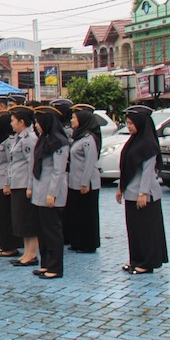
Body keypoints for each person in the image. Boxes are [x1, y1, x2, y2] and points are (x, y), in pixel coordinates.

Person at [116, 105, 169, 275]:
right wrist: (121, 188)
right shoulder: (132, 142)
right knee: (134, 230)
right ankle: (136, 260)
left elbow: (148, 172)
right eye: (127, 123)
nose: (129, 126)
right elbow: (126, 168)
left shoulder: (148, 145)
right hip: (131, 193)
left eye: (131, 123)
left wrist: (143, 193)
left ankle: (147, 263)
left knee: (146, 231)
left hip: (145, 195)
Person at [30, 106, 70, 279]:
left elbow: (58, 171)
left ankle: (55, 267)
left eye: (38, 122)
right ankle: (45, 263)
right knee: (42, 231)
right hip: (40, 190)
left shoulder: (59, 142)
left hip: (51, 192)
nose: (36, 125)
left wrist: (52, 193)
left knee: (52, 231)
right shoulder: (44, 139)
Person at [67, 103, 102, 254]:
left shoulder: (88, 139)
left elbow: (89, 162)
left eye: (74, 118)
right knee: (78, 214)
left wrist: (84, 182)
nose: (71, 121)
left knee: (87, 215)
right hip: (75, 182)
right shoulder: (78, 137)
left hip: (86, 183)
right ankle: (78, 242)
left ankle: (88, 244)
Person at [0, 109, 23, 259]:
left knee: (5, 217)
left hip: (3, 183)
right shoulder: (0, 141)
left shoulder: (9, 142)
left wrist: (7, 183)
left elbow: (10, 163)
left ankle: (10, 247)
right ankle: (4, 245)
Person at [8, 105, 40, 268]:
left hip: (24, 185)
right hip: (17, 183)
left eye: (13, 121)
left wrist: (30, 186)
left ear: (21, 122)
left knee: (28, 221)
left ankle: (32, 254)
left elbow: (31, 164)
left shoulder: (29, 139)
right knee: (21, 221)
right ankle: (27, 252)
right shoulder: (19, 138)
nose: (11, 124)